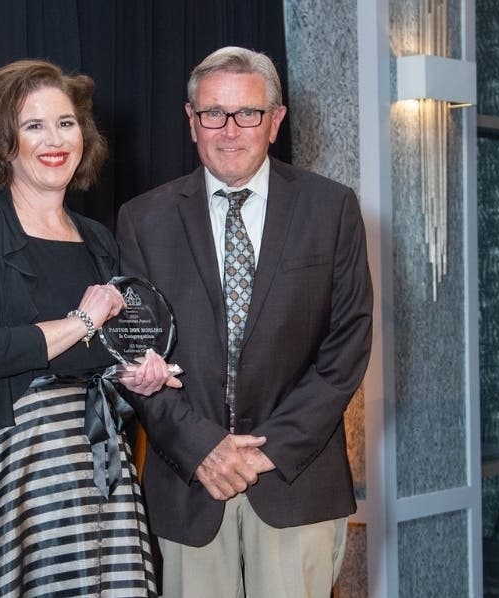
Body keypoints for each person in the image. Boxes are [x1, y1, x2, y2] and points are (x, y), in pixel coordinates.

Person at [116, 46, 373, 598]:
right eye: (214, 113)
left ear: (276, 120)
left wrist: (264, 450)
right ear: (191, 121)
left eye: (248, 113)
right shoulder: (142, 219)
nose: (230, 130)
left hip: (295, 481)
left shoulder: (332, 209)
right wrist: (203, 447)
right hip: (190, 485)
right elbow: (134, 357)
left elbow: (346, 347)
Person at [0, 59, 180, 598]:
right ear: (3, 142)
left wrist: (135, 377)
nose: (55, 140)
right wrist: (81, 321)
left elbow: (102, 360)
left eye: (65, 122)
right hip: (10, 474)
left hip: (96, 469)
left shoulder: (98, 240)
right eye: (33, 125)